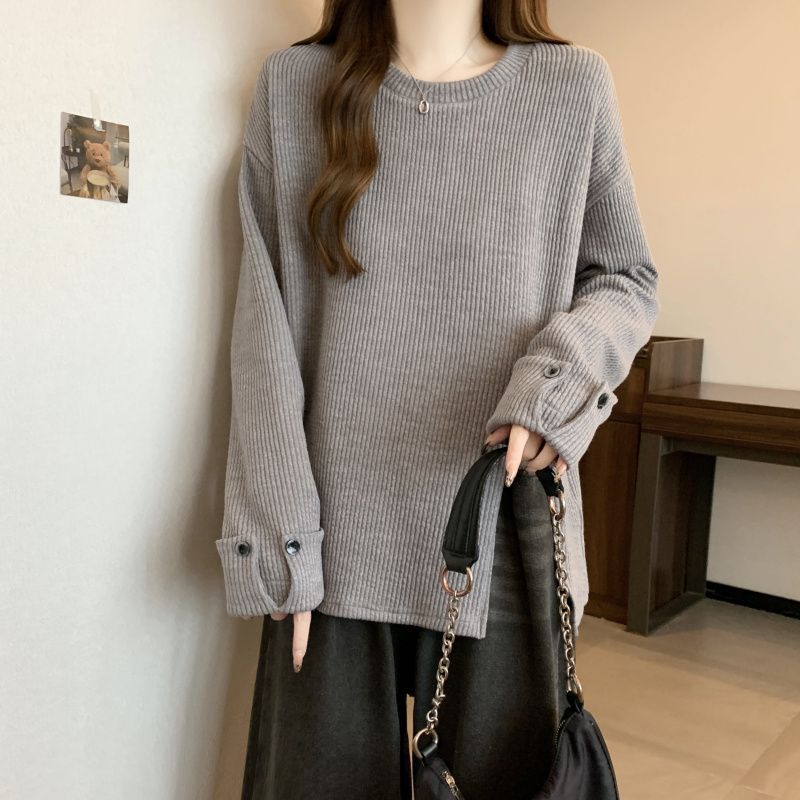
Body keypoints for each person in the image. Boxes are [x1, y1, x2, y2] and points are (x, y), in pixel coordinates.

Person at [215, 1, 660, 797]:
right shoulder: (294, 87)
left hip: (503, 516)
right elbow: (264, 323)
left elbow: (625, 278)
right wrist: (280, 532)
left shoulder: (571, 88)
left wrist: (552, 387)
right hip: (331, 529)